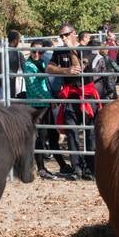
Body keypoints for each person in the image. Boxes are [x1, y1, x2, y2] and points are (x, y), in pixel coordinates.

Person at [46, 24, 94, 178]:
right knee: (71, 132)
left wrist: (71, 48)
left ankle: (91, 168)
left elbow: (79, 67)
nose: (63, 38)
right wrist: (65, 71)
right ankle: (77, 168)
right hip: (69, 96)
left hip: (86, 95)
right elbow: (49, 68)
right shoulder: (59, 51)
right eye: (61, 36)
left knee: (89, 132)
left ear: (73, 33)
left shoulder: (84, 49)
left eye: (66, 35)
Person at [22, 39, 67, 176]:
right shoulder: (28, 65)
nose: (37, 54)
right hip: (36, 106)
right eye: (34, 51)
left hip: (46, 104)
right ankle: (41, 168)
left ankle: (63, 165)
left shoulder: (42, 63)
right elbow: (34, 86)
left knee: (53, 135)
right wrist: (50, 99)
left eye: (40, 52)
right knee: (41, 137)